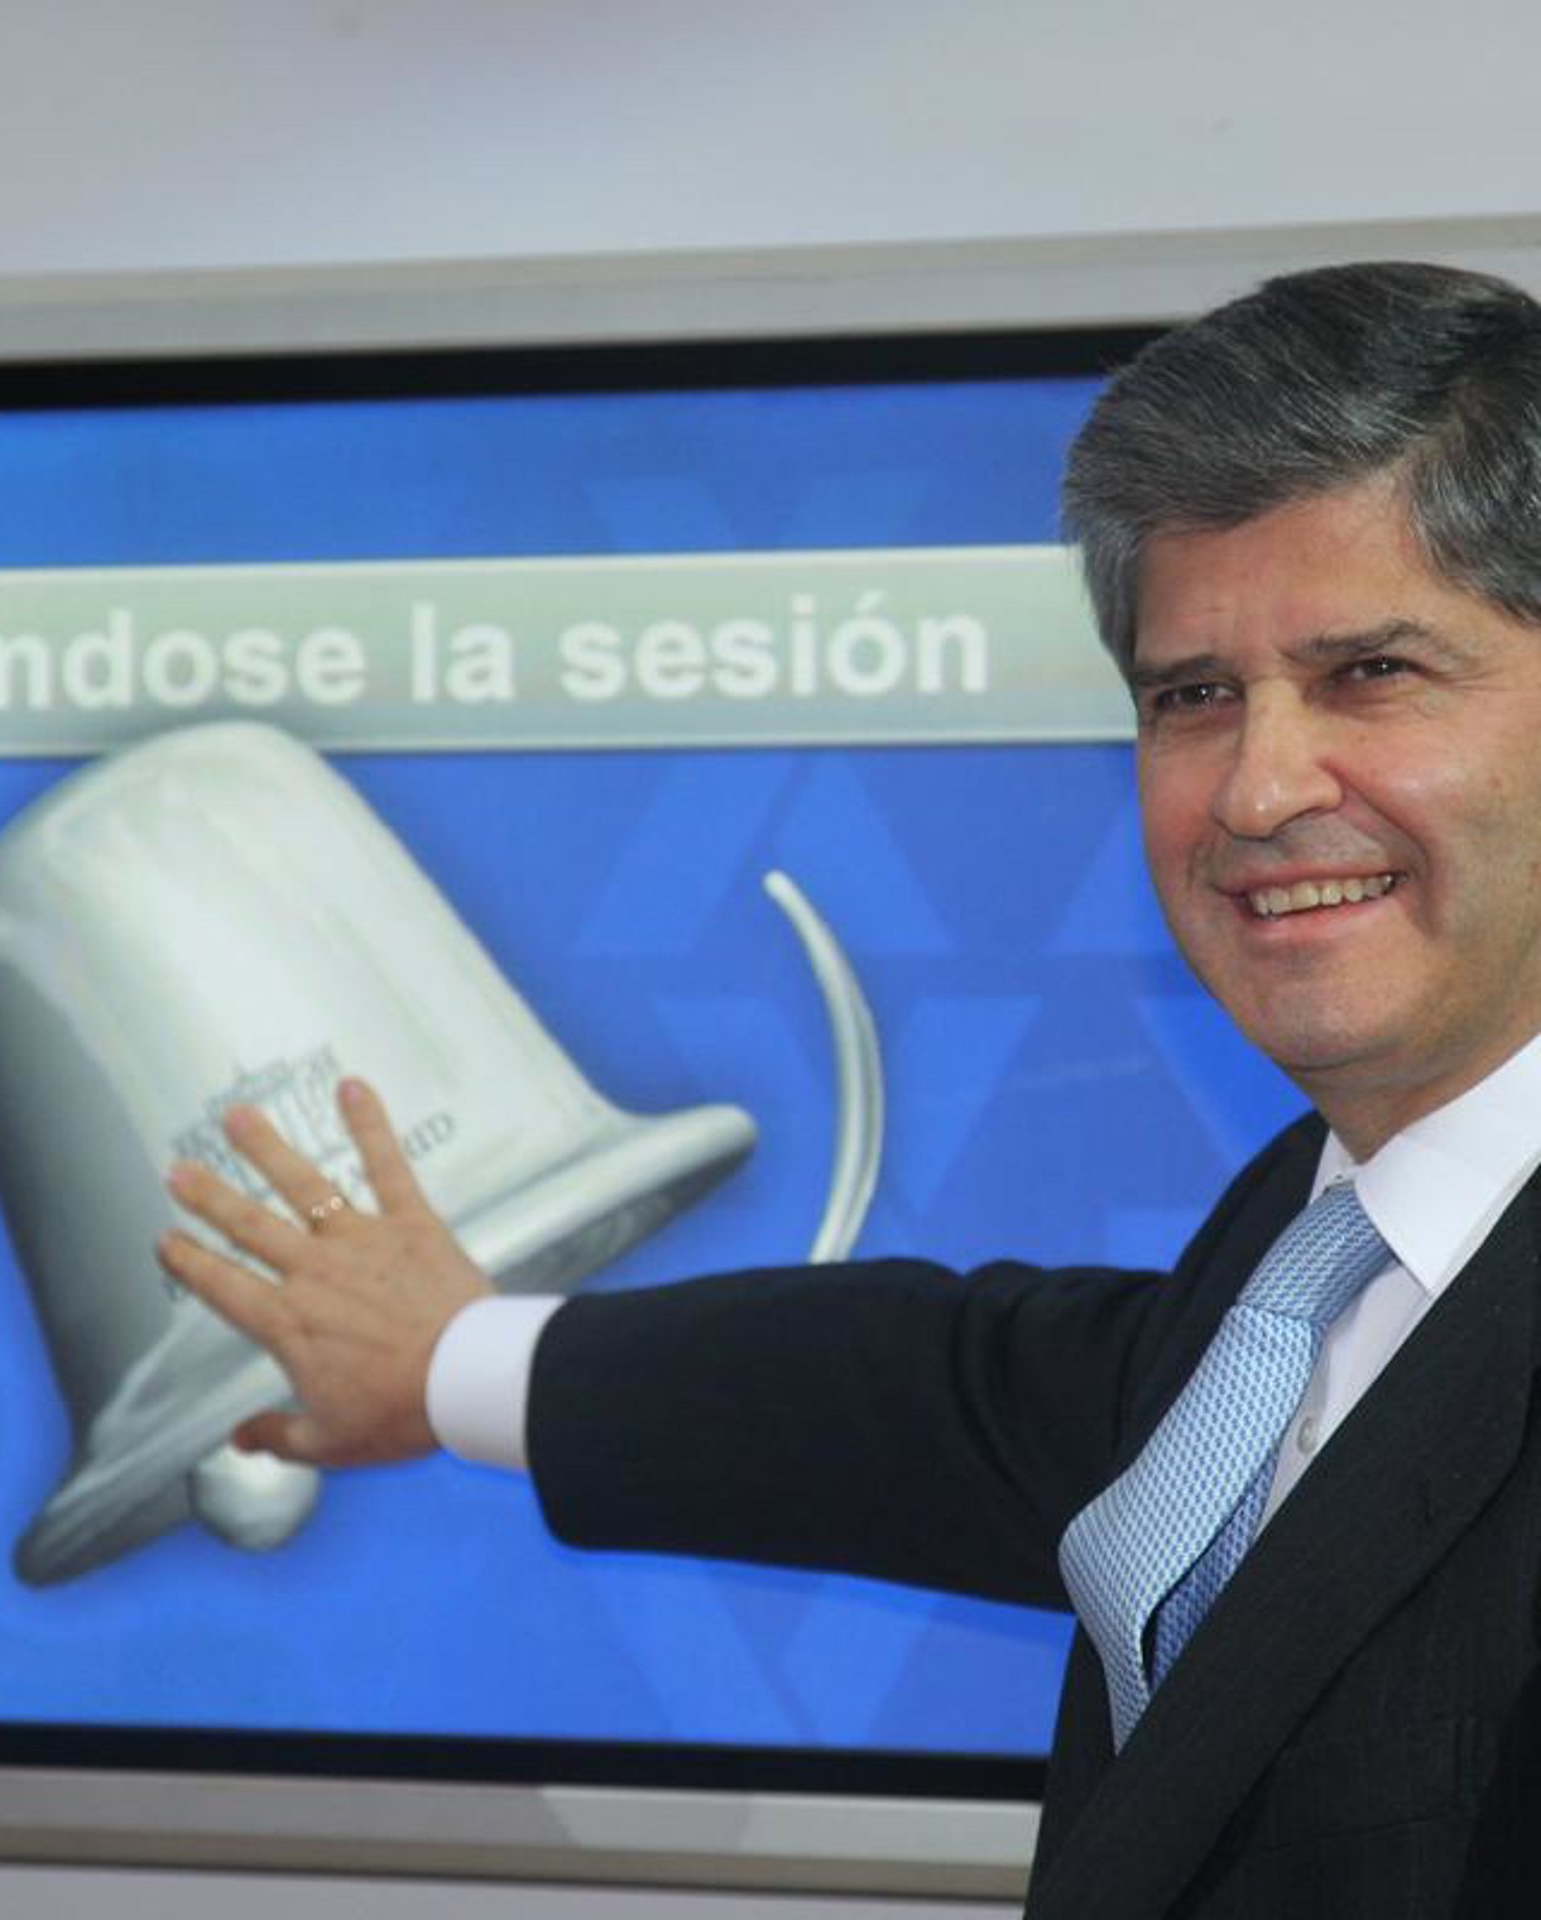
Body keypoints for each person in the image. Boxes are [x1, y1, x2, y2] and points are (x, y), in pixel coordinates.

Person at [157, 260, 1541, 1918]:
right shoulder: (1312, 1242)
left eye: (1372, 673)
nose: (1257, 788)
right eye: (1192, 697)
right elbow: (961, 1402)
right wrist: (447, 1356)